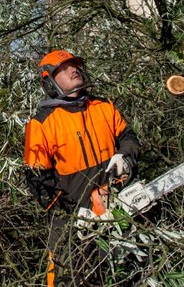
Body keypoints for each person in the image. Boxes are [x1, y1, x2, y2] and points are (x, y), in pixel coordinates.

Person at [23, 50, 140, 285]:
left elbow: (130, 138)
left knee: (124, 272)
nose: (73, 70)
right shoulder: (42, 123)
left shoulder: (103, 106)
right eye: (64, 69)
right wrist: (72, 212)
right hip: (71, 215)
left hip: (115, 203)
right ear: (49, 80)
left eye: (75, 65)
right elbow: (38, 181)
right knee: (66, 275)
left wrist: (124, 157)